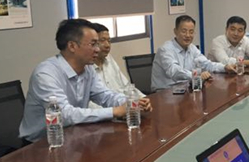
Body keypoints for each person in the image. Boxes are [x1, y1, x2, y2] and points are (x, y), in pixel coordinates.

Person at [19, 19, 152, 143]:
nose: (98, 49)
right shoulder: (45, 74)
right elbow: (64, 115)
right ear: (72, 46)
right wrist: (114, 111)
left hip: (73, 136)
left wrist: (130, 103)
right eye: (93, 44)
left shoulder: (87, 69)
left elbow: (105, 95)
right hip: (41, 143)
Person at [151, 15, 236, 91]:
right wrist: (195, 75)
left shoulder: (192, 48)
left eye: (191, 32)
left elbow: (206, 64)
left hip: (186, 89)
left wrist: (224, 67)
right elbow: (174, 71)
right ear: (175, 31)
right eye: (184, 31)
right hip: (165, 92)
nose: (188, 35)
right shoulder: (165, 50)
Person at [88, 23, 145, 110]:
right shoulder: (86, 68)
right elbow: (91, 104)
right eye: (102, 40)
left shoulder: (109, 59)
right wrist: (115, 111)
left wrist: (143, 98)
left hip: (123, 109)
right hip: (106, 115)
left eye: (109, 41)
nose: (107, 45)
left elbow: (126, 87)